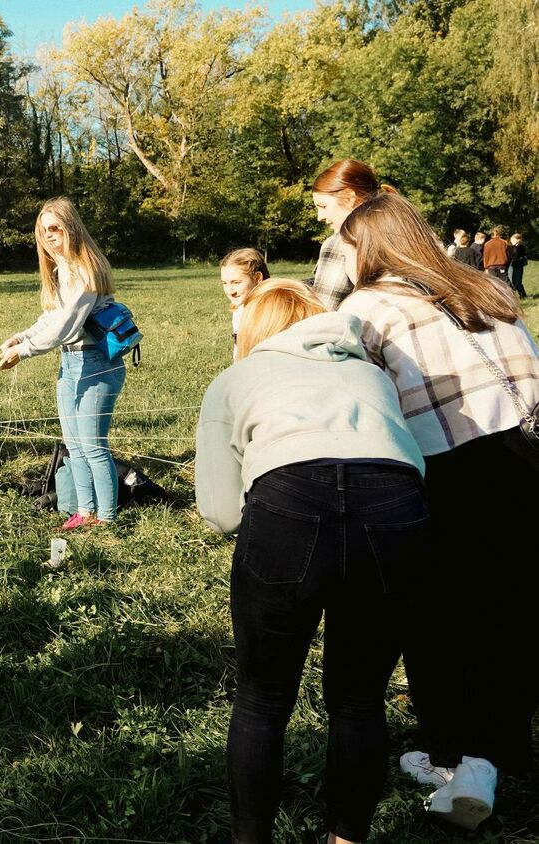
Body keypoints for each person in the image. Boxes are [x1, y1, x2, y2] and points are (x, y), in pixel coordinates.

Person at [195, 279, 428, 844]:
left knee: (263, 697)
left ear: (253, 330)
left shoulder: (235, 379)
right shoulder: (374, 374)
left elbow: (221, 513)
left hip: (289, 504)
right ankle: (346, 838)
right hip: (396, 507)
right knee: (359, 697)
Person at [338, 192, 539, 830]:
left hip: (447, 464)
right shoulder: (485, 288)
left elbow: (359, 394)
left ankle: (452, 754)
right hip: (527, 452)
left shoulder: (366, 307)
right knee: (511, 608)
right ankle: (500, 748)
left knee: (438, 614)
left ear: (367, 250)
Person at [0, 197, 125, 529]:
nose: (50, 236)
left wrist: (23, 353)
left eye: (55, 228)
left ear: (71, 228)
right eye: (43, 231)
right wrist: (21, 337)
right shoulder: (62, 268)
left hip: (96, 364)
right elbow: (52, 317)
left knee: (94, 447)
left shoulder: (85, 270)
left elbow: (66, 327)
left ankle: (106, 518)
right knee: (75, 447)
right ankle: (84, 511)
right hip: (70, 364)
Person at [309, 160, 395, 309]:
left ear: (350, 198)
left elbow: (323, 311)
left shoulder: (341, 243)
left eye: (323, 206)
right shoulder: (405, 232)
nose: (319, 217)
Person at [219, 248, 270, 359]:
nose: (230, 291)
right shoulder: (240, 311)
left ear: (257, 278)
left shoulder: (274, 312)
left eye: (236, 282)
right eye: (224, 283)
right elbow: (238, 356)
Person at [511, 231, 527, 297]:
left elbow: (517, 256)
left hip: (518, 266)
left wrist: (515, 246)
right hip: (512, 266)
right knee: (513, 281)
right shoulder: (512, 247)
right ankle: (516, 295)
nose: (511, 241)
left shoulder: (521, 247)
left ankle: (523, 295)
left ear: (518, 240)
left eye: (512, 239)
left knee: (517, 282)